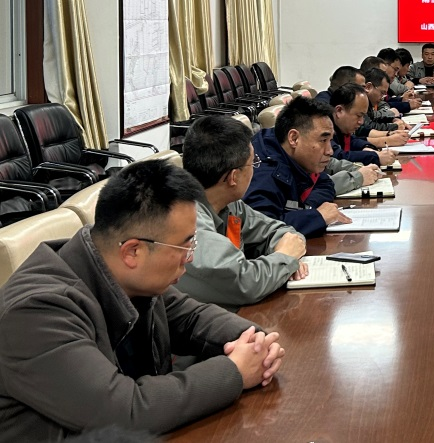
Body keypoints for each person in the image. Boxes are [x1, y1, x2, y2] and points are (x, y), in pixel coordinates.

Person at [0, 160, 285, 439]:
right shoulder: (36, 313)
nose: (190, 258)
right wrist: (235, 371)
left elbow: (192, 317)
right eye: (185, 246)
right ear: (133, 252)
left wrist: (254, 341)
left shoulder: (121, 272)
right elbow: (126, 411)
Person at [177, 115, 309, 308]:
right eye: (253, 162)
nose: (256, 168)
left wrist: (288, 254)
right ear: (233, 177)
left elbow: (282, 233)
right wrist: (285, 259)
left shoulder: (229, 204)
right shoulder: (188, 222)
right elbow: (244, 283)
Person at [244, 96, 351, 237]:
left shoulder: (293, 155)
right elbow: (261, 231)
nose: (330, 151)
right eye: (323, 140)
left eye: (330, 140)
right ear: (294, 138)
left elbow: (325, 183)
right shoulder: (264, 173)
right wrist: (317, 216)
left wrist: (306, 209)